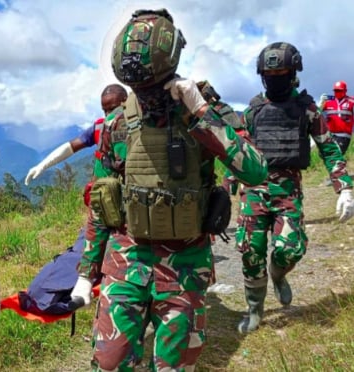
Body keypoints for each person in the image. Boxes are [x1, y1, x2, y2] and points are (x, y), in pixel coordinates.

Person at [69, 8, 268, 371]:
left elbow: (255, 171)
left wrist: (201, 112)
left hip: (185, 266)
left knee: (173, 366)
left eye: (149, 85)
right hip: (127, 261)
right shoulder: (117, 123)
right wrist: (87, 272)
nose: (145, 95)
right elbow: (100, 200)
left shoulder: (206, 111)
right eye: (138, 88)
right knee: (109, 364)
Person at [230, 42, 354, 334]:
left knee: (290, 249)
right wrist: (227, 187)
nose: (276, 77)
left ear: (293, 72)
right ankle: (255, 309)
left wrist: (344, 188)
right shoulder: (253, 110)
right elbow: (237, 150)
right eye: (270, 72)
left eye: (282, 71)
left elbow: (329, 148)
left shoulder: (306, 109)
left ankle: (278, 274)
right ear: (262, 75)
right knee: (251, 251)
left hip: (287, 191)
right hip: (254, 190)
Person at [24, 84, 129, 186]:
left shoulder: (139, 126)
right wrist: (42, 165)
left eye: (113, 109)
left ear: (126, 103)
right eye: (105, 111)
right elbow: (70, 147)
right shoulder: (100, 128)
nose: (108, 115)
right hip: (107, 195)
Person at [319, 81, 354, 155]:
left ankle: (341, 164)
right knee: (323, 154)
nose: (337, 92)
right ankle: (342, 164)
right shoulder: (328, 101)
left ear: (345, 91)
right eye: (335, 90)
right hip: (330, 135)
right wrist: (321, 103)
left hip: (343, 136)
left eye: (339, 90)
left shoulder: (351, 101)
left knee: (336, 154)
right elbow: (317, 112)